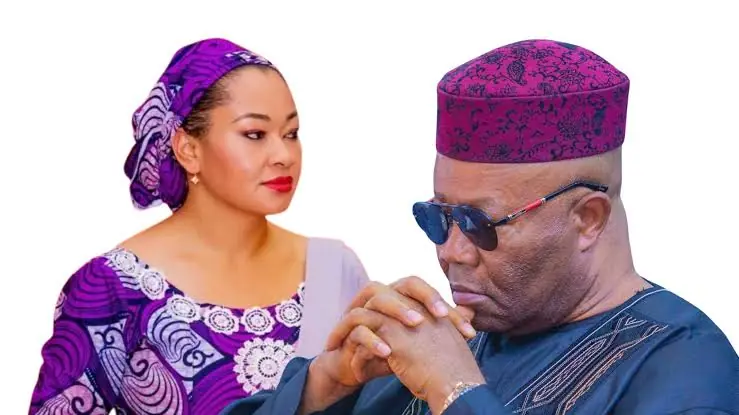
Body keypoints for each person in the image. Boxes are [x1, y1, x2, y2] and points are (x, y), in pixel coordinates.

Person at [222, 39, 739, 415]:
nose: (452, 252)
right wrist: (324, 386)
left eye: (480, 224)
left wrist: (457, 392)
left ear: (587, 219)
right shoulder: (441, 342)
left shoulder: (686, 371)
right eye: (439, 218)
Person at [28, 37, 464, 415]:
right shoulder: (111, 288)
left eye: (291, 134)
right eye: (255, 134)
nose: (284, 156)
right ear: (187, 149)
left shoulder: (334, 267)